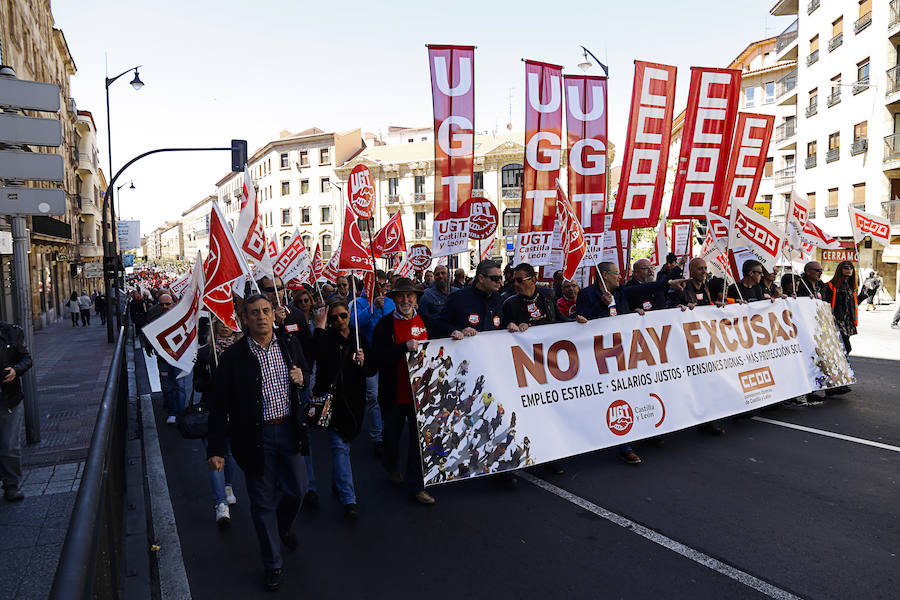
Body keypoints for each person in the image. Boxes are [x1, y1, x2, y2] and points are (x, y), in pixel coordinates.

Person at [207, 294, 310, 592]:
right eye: (254, 313)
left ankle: (284, 526)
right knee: (262, 502)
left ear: (273, 314)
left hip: (290, 431)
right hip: (254, 438)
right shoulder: (234, 357)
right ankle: (273, 563)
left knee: (298, 489)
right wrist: (215, 449)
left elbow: (305, 374)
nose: (262, 317)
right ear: (245, 319)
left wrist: (302, 377)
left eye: (266, 311)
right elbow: (219, 407)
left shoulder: (289, 344)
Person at [372, 277, 435, 505]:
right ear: (394, 299)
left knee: (418, 442)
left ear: (416, 299)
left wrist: (459, 334)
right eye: (401, 296)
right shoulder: (384, 325)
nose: (405, 300)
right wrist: (402, 347)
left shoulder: (427, 321)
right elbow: (377, 357)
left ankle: (416, 486)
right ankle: (390, 463)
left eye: (410, 296)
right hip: (394, 393)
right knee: (392, 438)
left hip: (420, 394)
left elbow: (442, 345)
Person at [311, 298, 373, 519]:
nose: (339, 321)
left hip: (355, 402)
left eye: (343, 316)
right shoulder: (325, 338)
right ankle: (350, 499)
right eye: (334, 317)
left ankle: (338, 482)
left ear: (349, 314)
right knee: (340, 447)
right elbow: (314, 355)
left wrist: (364, 361)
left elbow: (371, 371)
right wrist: (319, 326)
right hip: (332, 402)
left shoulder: (359, 338)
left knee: (346, 443)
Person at [193, 318, 239, 525]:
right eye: (220, 323)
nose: (225, 326)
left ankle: (228, 485)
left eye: (228, 322)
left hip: (235, 412)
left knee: (229, 454)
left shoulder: (242, 352)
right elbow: (197, 384)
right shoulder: (205, 353)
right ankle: (220, 503)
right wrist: (212, 380)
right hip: (212, 411)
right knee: (214, 456)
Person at [349, 274, 395, 458]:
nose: (380, 287)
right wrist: (371, 308)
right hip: (370, 356)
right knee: (373, 397)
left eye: (383, 284)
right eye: (375, 285)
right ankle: (377, 438)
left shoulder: (390, 301)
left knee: (389, 396)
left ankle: (389, 429)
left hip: (388, 355)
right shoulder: (358, 302)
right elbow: (353, 323)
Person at [0, 320, 32, 502]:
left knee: (9, 445)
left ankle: (11, 485)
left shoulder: (11, 332)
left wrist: (15, 370)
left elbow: (27, 359)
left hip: (8, 399)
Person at [145, 293, 186, 424]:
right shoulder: (154, 316)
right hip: (163, 358)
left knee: (179, 386)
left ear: (173, 303)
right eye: (161, 304)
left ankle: (181, 413)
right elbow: (148, 332)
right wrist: (148, 346)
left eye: (168, 304)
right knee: (167, 387)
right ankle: (173, 412)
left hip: (178, 358)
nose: (165, 307)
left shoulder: (180, 316)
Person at [442, 260, 504, 340]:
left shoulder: (498, 298)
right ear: (481, 278)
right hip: (466, 349)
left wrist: (511, 325)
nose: (500, 282)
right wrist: (457, 331)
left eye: (500, 278)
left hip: (492, 348)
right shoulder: (459, 297)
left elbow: (502, 324)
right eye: (495, 278)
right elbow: (440, 323)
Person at [501, 263, 573, 331]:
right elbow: (503, 330)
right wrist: (513, 326)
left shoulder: (548, 295)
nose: (516, 284)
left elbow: (560, 318)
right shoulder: (510, 304)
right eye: (514, 280)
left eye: (519, 280)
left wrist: (577, 321)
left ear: (533, 280)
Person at [825, 261, 857, 397]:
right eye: (846, 267)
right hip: (835, 324)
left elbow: (852, 305)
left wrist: (864, 294)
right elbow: (824, 304)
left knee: (841, 353)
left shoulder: (850, 286)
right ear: (840, 269)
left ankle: (836, 384)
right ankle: (833, 384)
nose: (849, 269)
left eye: (851, 267)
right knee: (843, 351)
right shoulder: (831, 286)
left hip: (847, 324)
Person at [418, 265, 455, 337]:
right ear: (434, 277)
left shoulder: (457, 293)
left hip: (457, 337)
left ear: (449, 275)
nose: (440, 276)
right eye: (437, 274)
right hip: (437, 338)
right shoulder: (426, 295)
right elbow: (423, 319)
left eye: (443, 273)